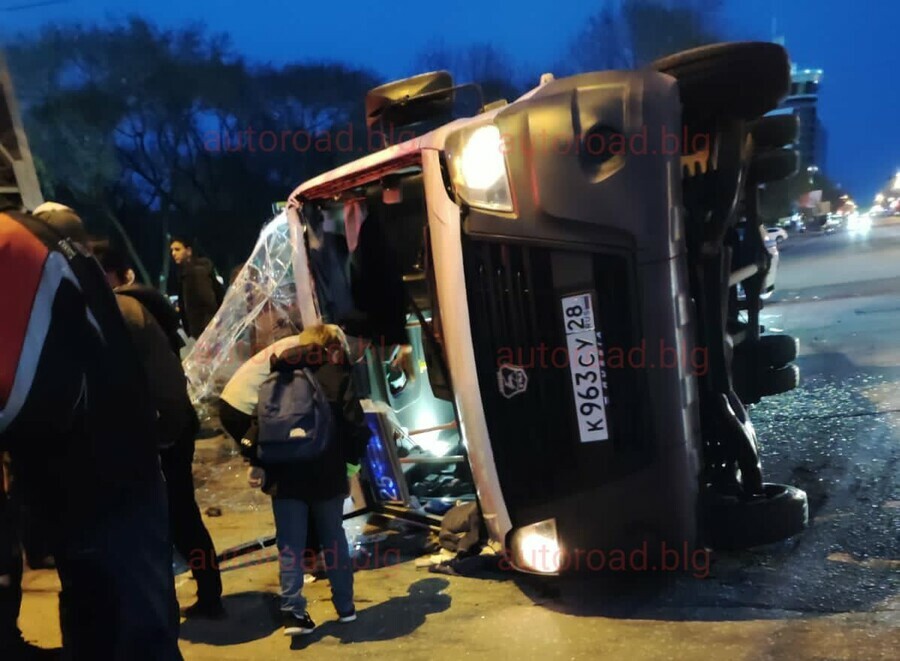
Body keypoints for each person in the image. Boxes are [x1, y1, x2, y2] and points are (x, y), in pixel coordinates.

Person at [1, 202, 182, 659]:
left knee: (122, 623)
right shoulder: (61, 260)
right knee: (124, 618)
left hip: (98, 483)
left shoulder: (20, 252)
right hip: (110, 478)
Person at [95, 244, 224, 619]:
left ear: (115, 275)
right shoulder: (145, 302)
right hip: (173, 423)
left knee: (168, 519)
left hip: (161, 427)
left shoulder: (120, 310)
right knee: (183, 515)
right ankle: (208, 591)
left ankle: (179, 600)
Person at [235, 324, 371, 636]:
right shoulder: (336, 377)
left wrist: (258, 465)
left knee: (290, 546)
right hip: (327, 475)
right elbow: (357, 428)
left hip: (284, 477)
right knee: (333, 539)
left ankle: (294, 614)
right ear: (329, 348)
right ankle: (346, 608)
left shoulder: (273, 379)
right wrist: (350, 464)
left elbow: (259, 428)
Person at [169, 237, 224, 339]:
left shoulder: (197, 272)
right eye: (172, 250)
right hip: (203, 334)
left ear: (189, 251)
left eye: (177, 249)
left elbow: (208, 304)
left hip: (207, 334)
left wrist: (206, 334)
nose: (173, 253)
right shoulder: (186, 274)